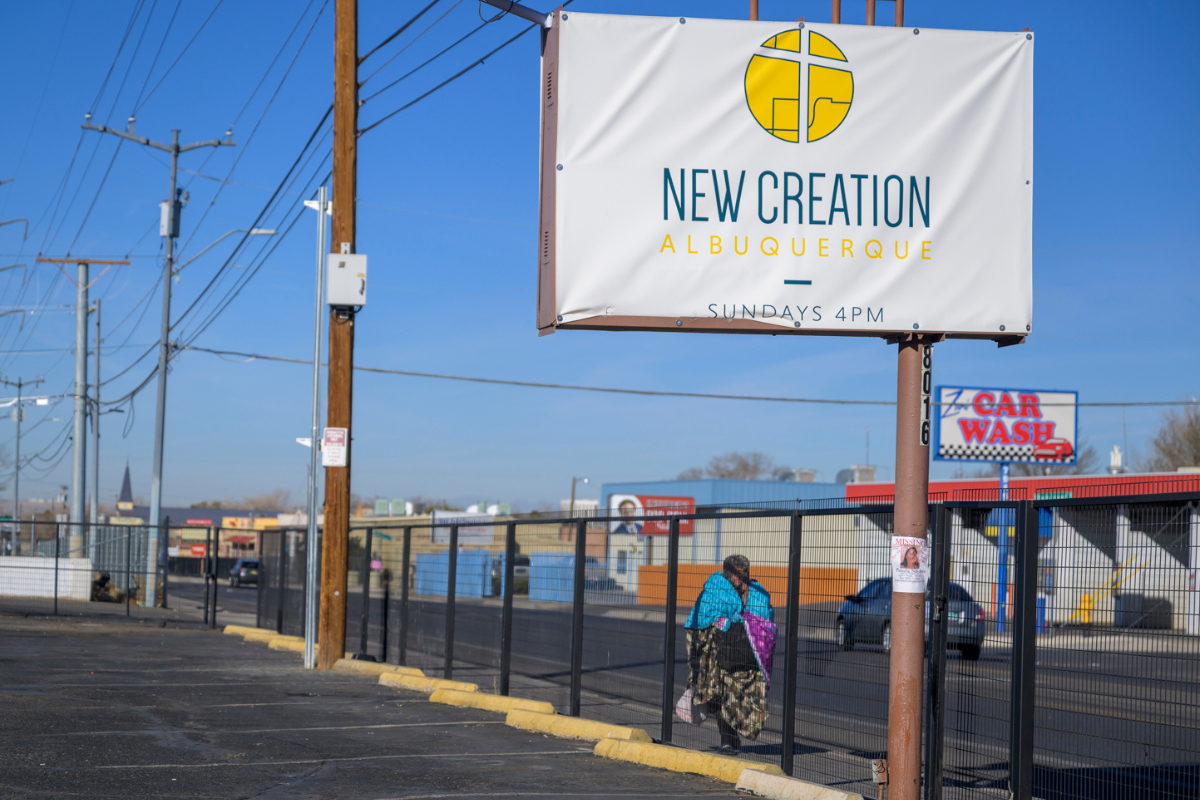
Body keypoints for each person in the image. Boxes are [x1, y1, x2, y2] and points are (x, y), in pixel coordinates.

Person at [684, 554, 777, 755]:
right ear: (727, 573)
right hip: (717, 650)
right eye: (735, 574)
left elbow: (765, 616)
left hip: (743, 652)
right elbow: (705, 616)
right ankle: (727, 740)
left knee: (742, 694)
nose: (739, 578)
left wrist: (746, 612)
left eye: (743, 574)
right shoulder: (716, 588)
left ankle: (733, 738)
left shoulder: (756, 592)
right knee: (719, 692)